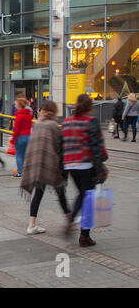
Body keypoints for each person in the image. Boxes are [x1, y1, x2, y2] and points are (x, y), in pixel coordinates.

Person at [62, 94, 108, 247]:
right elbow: (96, 146)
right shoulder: (91, 121)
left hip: (70, 165)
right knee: (88, 198)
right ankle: (84, 235)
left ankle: (73, 220)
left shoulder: (67, 122)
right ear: (90, 107)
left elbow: (61, 146)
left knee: (83, 194)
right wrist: (101, 166)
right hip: (86, 164)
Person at [21, 101, 71, 235]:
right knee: (60, 192)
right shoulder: (54, 126)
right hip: (51, 165)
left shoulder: (37, 124)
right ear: (54, 112)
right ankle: (69, 219)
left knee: (38, 193)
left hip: (38, 165)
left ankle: (31, 225)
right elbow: (60, 147)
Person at [10, 98, 33, 178]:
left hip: (20, 137)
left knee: (19, 155)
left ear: (19, 105)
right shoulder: (29, 115)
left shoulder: (18, 116)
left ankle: (20, 172)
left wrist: (12, 140)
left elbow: (16, 130)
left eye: (16, 104)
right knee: (25, 155)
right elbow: (30, 126)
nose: (15, 106)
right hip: (28, 136)